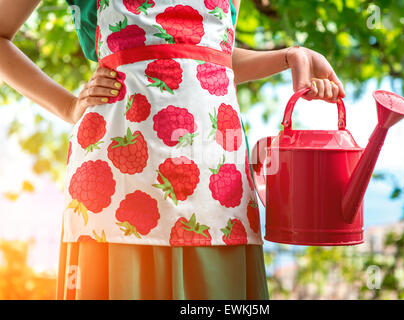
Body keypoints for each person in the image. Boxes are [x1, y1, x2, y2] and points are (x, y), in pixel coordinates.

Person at [0, 0, 345, 300]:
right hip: (117, 183)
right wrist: (67, 107)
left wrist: (289, 57)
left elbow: (211, 57)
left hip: (217, 183)